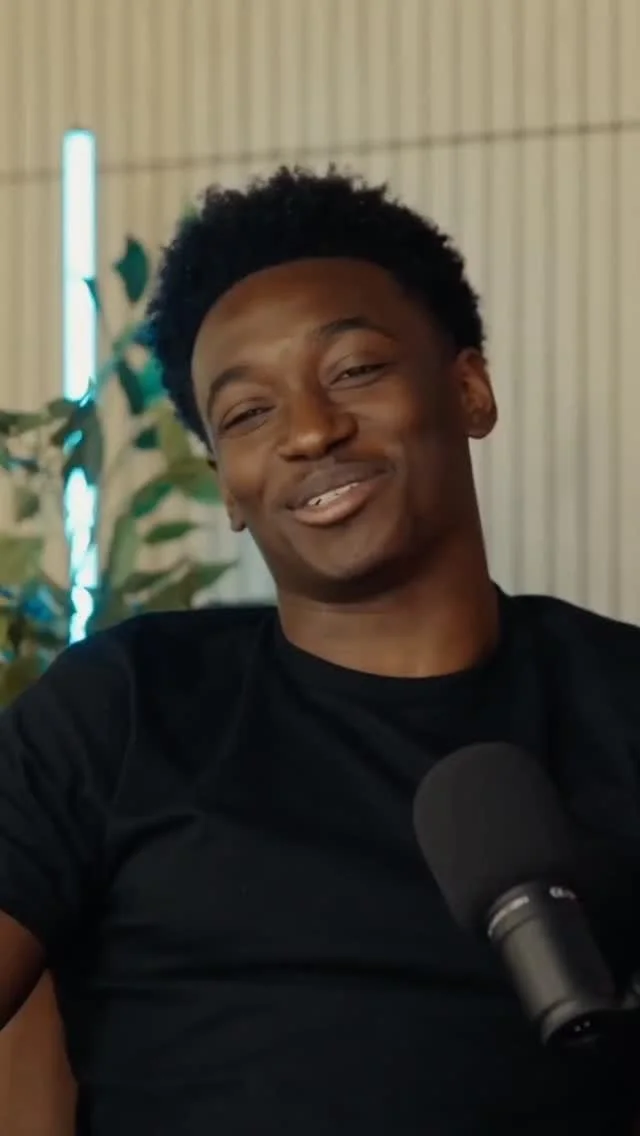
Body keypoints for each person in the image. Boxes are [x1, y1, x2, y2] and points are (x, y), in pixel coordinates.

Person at [0, 167, 639, 1136]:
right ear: (226, 483)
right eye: (248, 413)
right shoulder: (125, 704)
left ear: (468, 388)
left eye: (354, 371)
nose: (309, 430)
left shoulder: (619, 698)